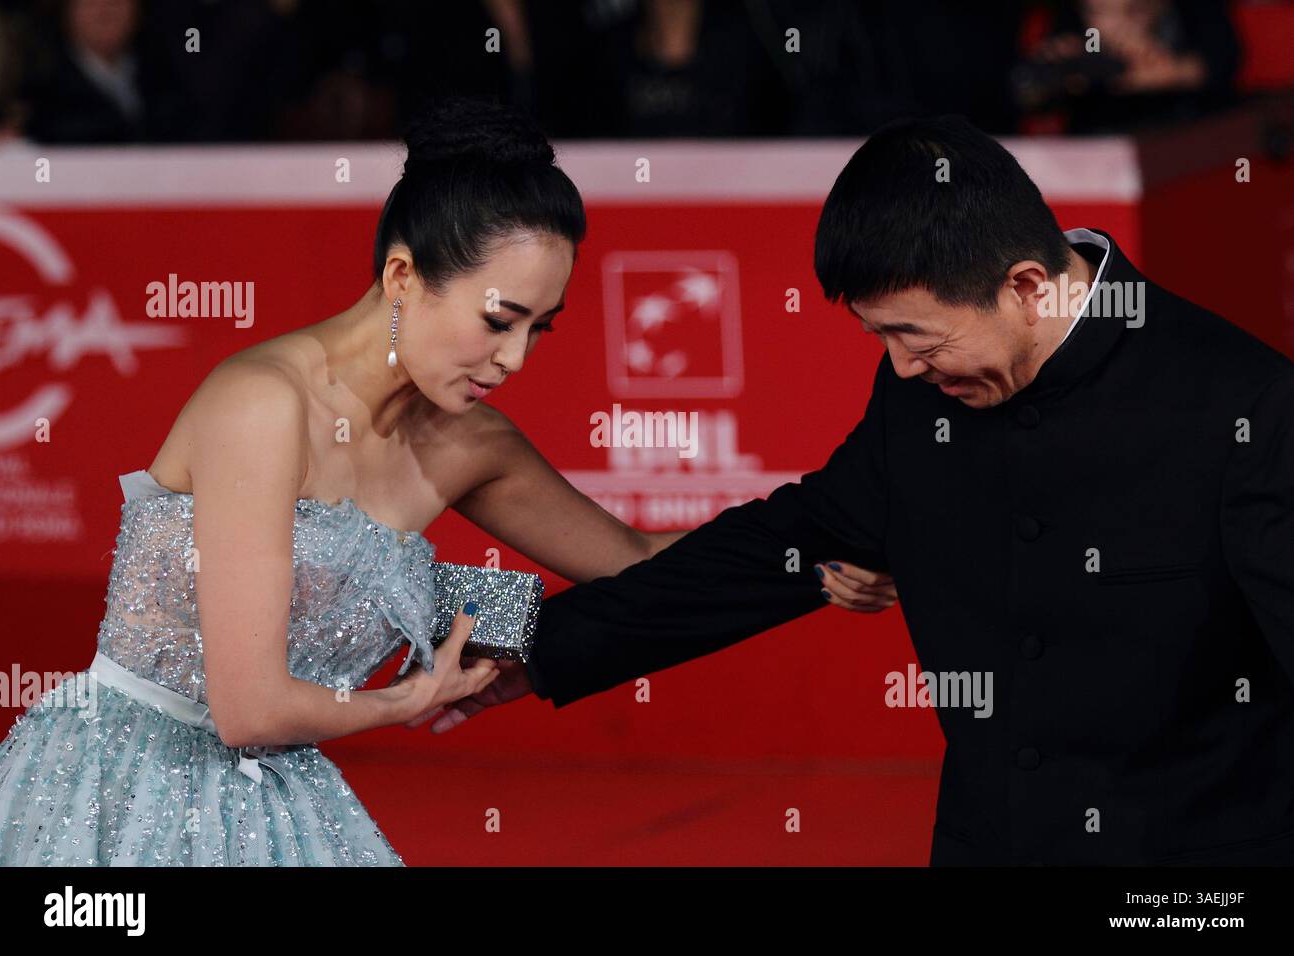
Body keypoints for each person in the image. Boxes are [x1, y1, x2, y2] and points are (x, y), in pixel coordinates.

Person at [0, 96, 885, 866]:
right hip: (112, 791)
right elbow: (248, 706)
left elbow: (635, 560)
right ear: (402, 275)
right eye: (499, 319)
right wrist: (408, 698)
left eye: (541, 330)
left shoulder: (470, 444)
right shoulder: (260, 406)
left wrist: (816, 558)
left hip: (279, 796)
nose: (513, 358)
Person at [435, 114, 1294, 867]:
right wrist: (539, 645)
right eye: (882, 338)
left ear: (1028, 287)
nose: (900, 366)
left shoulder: (1243, 405)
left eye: (914, 336)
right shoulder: (926, 391)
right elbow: (777, 549)